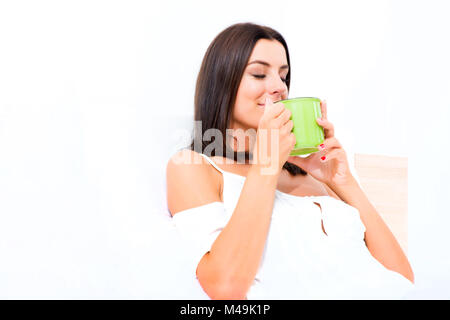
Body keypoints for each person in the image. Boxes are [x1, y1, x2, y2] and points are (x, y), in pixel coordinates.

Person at [166, 22, 414, 300]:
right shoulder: (192, 167)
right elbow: (225, 287)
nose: (279, 88)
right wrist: (266, 166)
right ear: (222, 82)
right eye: (259, 74)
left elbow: (402, 277)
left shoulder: (318, 174)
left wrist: (345, 183)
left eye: (283, 77)